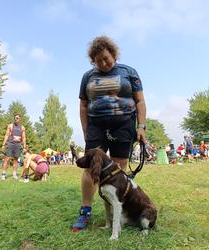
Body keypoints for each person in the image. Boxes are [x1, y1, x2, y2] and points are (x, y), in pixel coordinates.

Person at [72, 36, 146, 231]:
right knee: (89, 168)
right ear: (93, 61)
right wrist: (87, 131)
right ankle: (85, 212)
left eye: (106, 58)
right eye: (98, 61)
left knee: (118, 167)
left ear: (113, 54)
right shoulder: (87, 77)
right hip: (96, 125)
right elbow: (83, 105)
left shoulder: (129, 72)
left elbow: (140, 101)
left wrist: (141, 126)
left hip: (124, 125)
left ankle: (118, 213)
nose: (103, 63)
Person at [1, 113, 27, 180]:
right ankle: (3, 174)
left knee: (16, 160)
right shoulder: (10, 126)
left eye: (18, 118)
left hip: (18, 145)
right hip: (10, 144)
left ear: (20, 119)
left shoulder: (22, 127)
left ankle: (14, 175)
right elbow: (6, 135)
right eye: (15, 118)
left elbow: (24, 138)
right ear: (14, 119)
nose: (16, 119)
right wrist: (3, 144)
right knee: (7, 159)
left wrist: (24, 147)